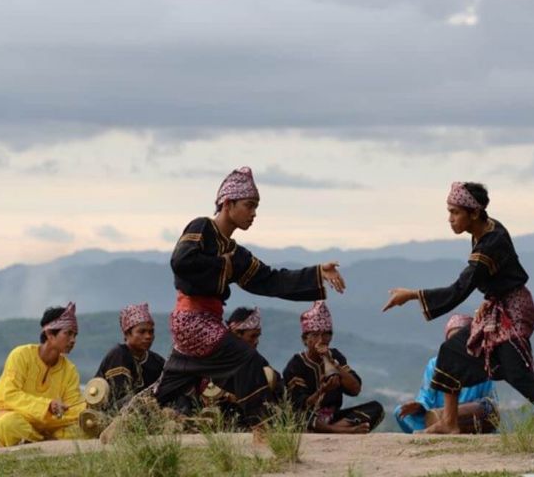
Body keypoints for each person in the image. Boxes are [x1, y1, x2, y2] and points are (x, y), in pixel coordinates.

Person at [383, 181, 534, 433]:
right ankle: (450, 423)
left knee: (518, 375)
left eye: (455, 212)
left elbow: (459, 290)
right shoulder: (483, 229)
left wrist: (412, 295)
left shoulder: (491, 243)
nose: (450, 219)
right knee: (450, 351)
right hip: (497, 308)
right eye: (449, 212)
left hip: (513, 312)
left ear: (474, 213)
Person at [154, 166, 346, 428]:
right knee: (248, 362)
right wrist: (224, 265)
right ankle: (263, 431)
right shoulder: (202, 227)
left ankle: (125, 423)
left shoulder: (238, 254)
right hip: (193, 322)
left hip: (203, 323)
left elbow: (271, 280)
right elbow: (181, 261)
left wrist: (316, 273)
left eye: (256, 207)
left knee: (165, 392)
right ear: (228, 203)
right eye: (249, 205)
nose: (254, 213)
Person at [0, 303, 85, 447]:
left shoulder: (70, 370)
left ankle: (40, 444)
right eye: (68, 333)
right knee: (9, 424)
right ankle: (46, 444)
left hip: (52, 428)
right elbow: (9, 394)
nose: (73, 340)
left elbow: (74, 408)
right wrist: (47, 406)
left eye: (75, 335)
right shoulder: (21, 355)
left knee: (87, 428)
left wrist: (86, 408)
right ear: (49, 334)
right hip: (20, 421)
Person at [283, 301, 384, 433]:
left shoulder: (335, 356)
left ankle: (335, 429)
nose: (321, 340)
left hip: (332, 417)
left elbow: (355, 390)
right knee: (298, 416)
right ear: (305, 340)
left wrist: (334, 363)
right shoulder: (296, 365)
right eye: (315, 335)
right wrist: (322, 391)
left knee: (376, 408)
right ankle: (344, 431)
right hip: (308, 419)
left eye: (326, 334)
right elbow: (300, 405)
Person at [395, 314, 498, 434]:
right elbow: (426, 396)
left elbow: (489, 402)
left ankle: (447, 425)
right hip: (436, 414)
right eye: (452, 341)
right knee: (400, 412)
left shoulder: (481, 363)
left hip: (468, 417)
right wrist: (419, 406)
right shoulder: (434, 364)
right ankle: (438, 425)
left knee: (488, 409)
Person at [95, 303, 165, 410]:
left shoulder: (157, 361)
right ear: (127, 334)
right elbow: (120, 397)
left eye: (151, 332)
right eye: (142, 332)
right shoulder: (118, 355)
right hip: (112, 415)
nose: (148, 336)